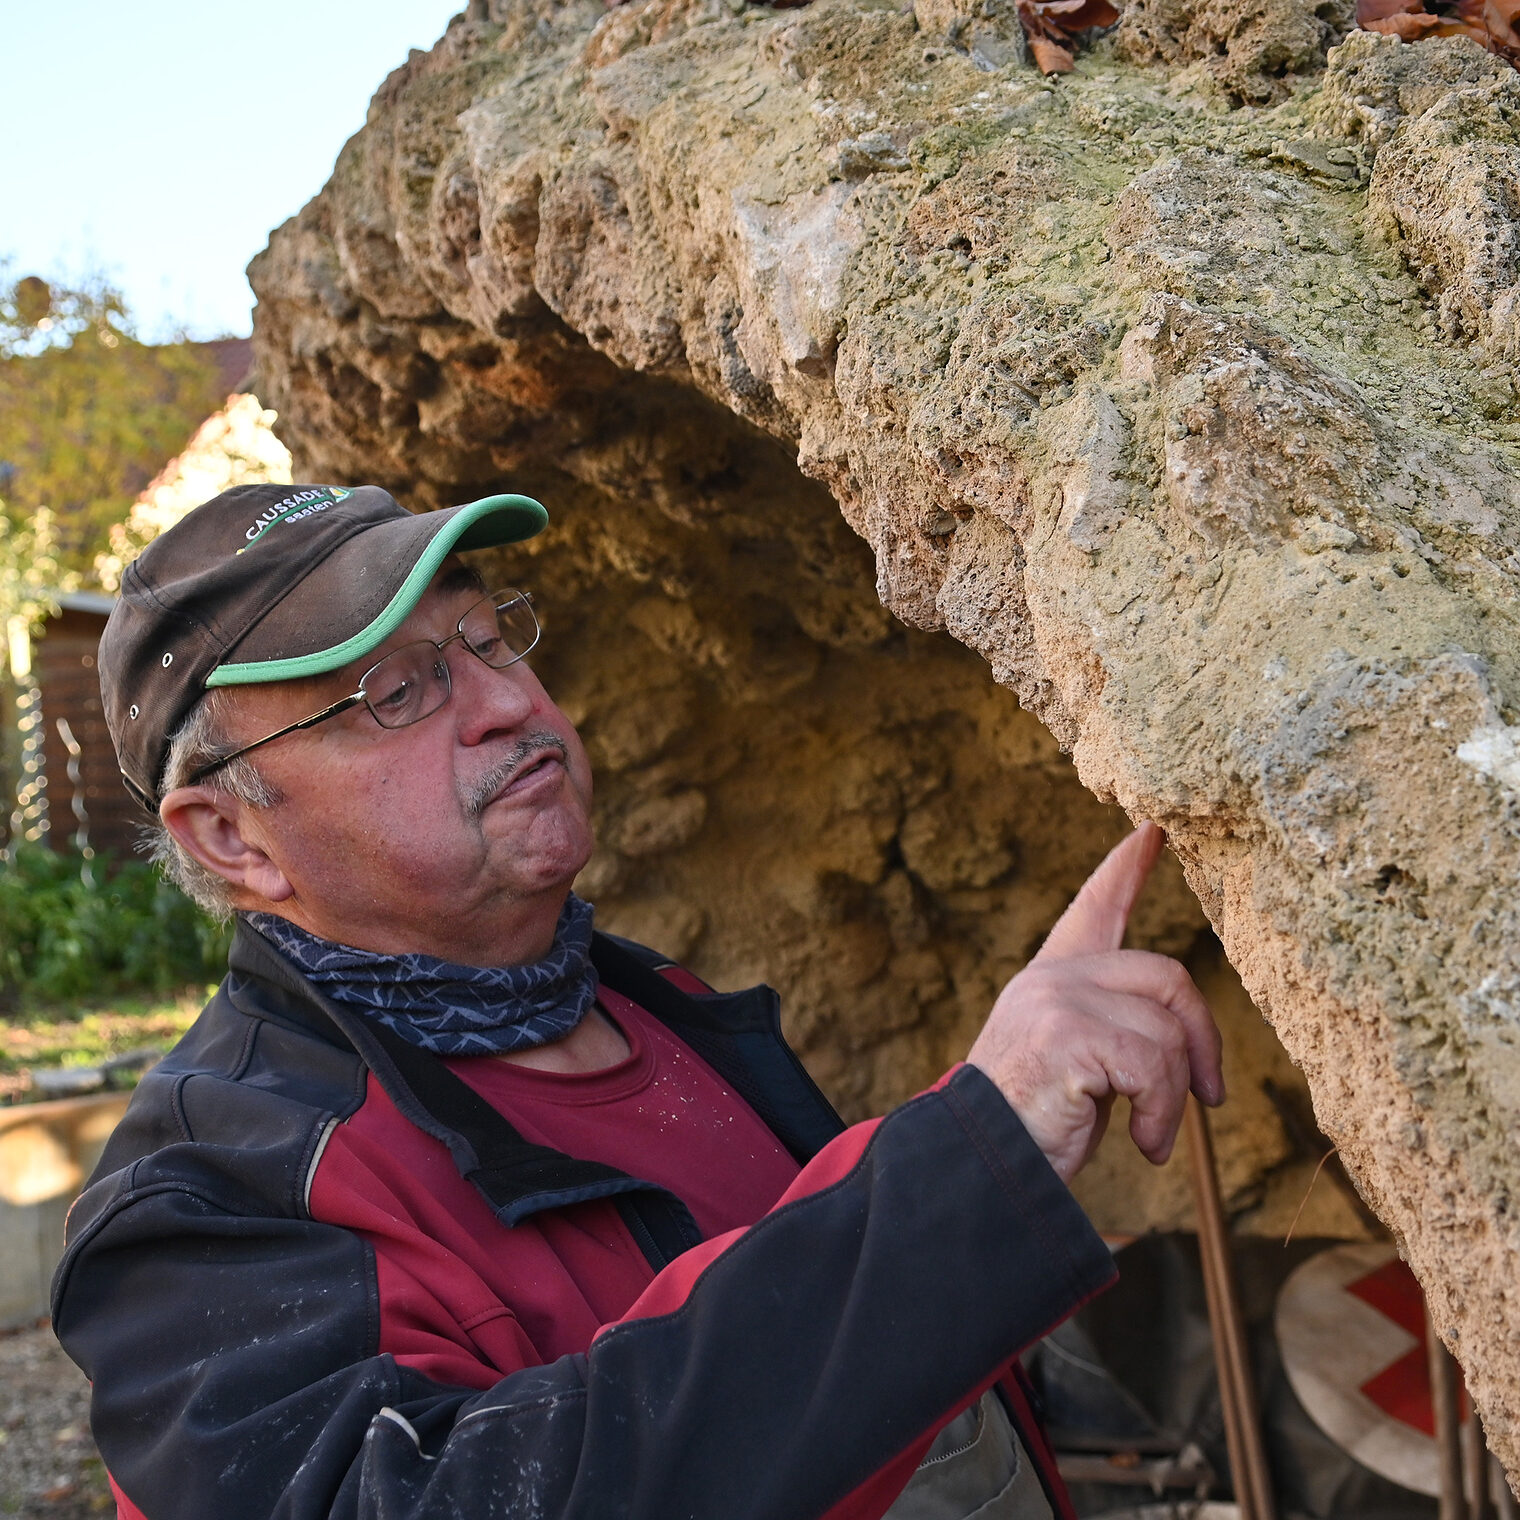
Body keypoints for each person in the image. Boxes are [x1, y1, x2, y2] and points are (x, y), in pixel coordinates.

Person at [52, 482, 1224, 1520]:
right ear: (229, 834)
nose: (505, 703)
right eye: (396, 688)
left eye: (487, 637)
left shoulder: (656, 1002)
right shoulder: (208, 1203)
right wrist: (967, 1167)